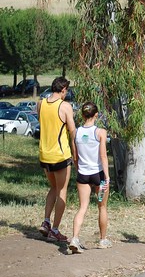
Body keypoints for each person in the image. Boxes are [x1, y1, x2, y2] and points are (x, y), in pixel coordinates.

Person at [37, 76, 77, 242]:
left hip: (44, 154)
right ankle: (55, 229)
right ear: (63, 90)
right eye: (66, 91)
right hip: (60, 155)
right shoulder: (65, 106)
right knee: (62, 191)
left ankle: (46, 221)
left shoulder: (41, 103)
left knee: (53, 187)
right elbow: (72, 131)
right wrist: (76, 154)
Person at [69, 102, 112, 253]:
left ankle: (74, 238)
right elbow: (103, 156)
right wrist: (107, 177)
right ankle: (102, 239)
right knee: (102, 206)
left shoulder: (75, 133)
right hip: (98, 175)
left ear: (82, 115)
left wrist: (78, 169)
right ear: (96, 115)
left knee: (82, 207)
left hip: (83, 174)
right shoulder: (100, 132)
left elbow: (75, 156)